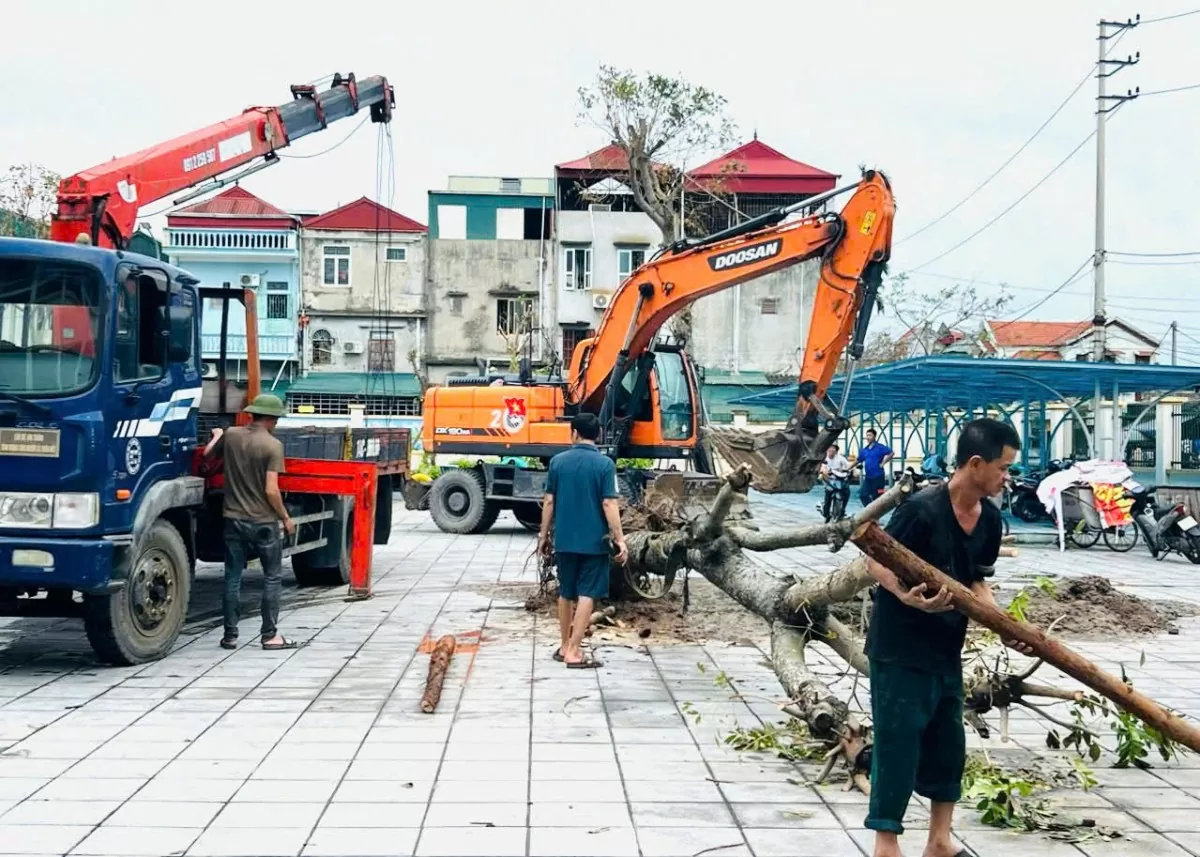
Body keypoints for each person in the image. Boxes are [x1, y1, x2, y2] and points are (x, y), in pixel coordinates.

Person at [863, 418, 1033, 857]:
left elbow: (977, 584)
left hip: (945, 651)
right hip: (899, 650)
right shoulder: (921, 509)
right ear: (975, 464)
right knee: (897, 745)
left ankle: (939, 841)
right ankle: (887, 845)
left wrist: (1004, 628)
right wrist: (906, 595)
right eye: (1003, 468)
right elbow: (876, 562)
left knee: (948, 747)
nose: (1006, 477)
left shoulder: (990, 520)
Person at [203, 393, 297, 651]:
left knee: (232, 578)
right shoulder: (272, 446)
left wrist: (216, 437)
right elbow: (271, 490)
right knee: (272, 578)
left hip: (233, 519)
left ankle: (229, 636)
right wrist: (285, 518)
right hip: (264, 523)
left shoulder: (231, 435)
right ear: (271, 419)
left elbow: (209, 456)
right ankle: (269, 636)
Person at [537, 413, 628, 669]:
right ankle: (574, 652)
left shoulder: (557, 462)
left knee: (565, 592)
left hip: (564, 540)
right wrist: (620, 540)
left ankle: (564, 645)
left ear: (574, 433)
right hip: (594, 542)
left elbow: (549, 501)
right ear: (597, 434)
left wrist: (543, 536)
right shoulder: (605, 465)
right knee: (587, 593)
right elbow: (609, 502)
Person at [857, 428, 894, 507]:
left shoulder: (879, 447)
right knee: (862, 494)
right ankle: (870, 510)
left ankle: (875, 514)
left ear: (874, 436)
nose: (867, 437)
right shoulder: (865, 450)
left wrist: (883, 463)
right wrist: (847, 468)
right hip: (868, 477)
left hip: (878, 477)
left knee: (877, 496)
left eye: (869, 435)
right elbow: (858, 460)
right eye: (866, 435)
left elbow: (891, 453)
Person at [819, 444, 852, 521]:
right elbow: (822, 466)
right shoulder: (825, 459)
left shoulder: (841, 459)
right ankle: (826, 512)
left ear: (836, 451)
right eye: (829, 450)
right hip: (829, 480)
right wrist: (823, 470)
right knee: (828, 493)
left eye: (832, 450)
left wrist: (852, 470)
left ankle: (843, 509)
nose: (830, 452)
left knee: (847, 492)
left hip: (840, 479)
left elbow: (849, 466)